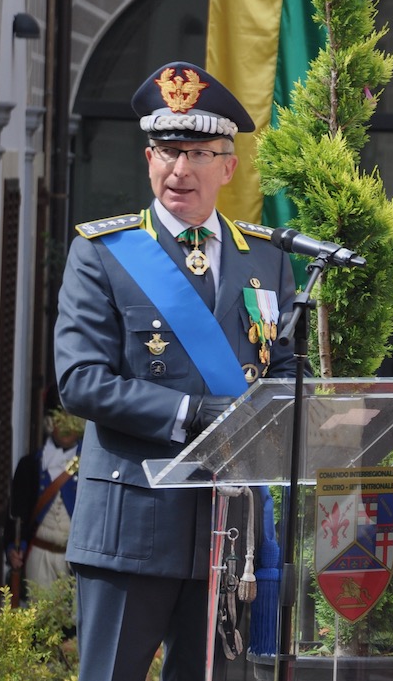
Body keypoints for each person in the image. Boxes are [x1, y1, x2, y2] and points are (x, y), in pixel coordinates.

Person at [54, 61, 297, 681]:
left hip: (229, 531)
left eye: (197, 153)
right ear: (148, 157)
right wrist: (191, 413)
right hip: (131, 526)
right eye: (167, 151)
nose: (179, 169)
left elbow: (283, 371)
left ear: (229, 166)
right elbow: (80, 379)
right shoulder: (103, 254)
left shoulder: (265, 259)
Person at [4, 407, 85, 605]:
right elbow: (16, 513)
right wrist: (12, 548)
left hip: (74, 559)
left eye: (71, 419)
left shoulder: (89, 464)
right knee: (39, 618)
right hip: (39, 554)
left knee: (73, 625)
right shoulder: (30, 464)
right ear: (50, 423)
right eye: (60, 419)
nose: (65, 426)